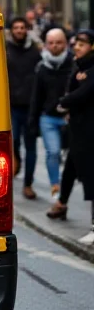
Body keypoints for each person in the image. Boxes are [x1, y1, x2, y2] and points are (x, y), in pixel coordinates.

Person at [57, 28, 94, 246]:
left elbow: (81, 93)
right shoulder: (79, 67)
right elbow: (71, 89)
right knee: (72, 170)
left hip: (90, 133)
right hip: (79, 133)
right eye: (76, 44)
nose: (77, 47)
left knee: (91, 179)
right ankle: (61, 203)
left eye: (82, 44)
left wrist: (66, 100)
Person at [28, 28, 73, 199]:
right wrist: (32, 121)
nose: (55, 46)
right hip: (48, 118)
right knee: (53, 152)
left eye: (58, 42)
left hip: (70, 117)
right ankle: (55, 185)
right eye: (51, 43)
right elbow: (36, 96)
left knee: (73, 156)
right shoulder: (42, 68)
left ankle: (67, 188)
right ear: (46, 45)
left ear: (65, 43)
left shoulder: (74, 64)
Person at [7, 16, 42, 199]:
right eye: (16, 27)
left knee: (31, 147)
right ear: (12, 30)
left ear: (27, 30)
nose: (20, 30)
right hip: (12, 106)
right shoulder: (5, 50)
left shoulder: (35, 52)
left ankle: (28, 184)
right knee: (13, 144)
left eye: (22, 27)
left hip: (31, 107)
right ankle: (16, 163)